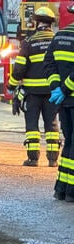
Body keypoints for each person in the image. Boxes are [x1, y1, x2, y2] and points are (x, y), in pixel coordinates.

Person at [9, 7, 60, 167]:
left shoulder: (29, 42)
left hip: (32, 92)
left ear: (37, 22)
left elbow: (19, 69)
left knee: (32, 124)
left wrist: (11, 86)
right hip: (53, 91)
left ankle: (33, 158)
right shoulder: (56, 40)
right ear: (51, 23)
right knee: (52, 123)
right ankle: (52, 159)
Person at [45, 18, 74, 201]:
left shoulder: (60, 34)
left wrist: (57, 87)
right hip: (69, 95)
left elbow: (48, 63)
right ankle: (71, 191)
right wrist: (65, 88)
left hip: (64, 101)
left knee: (69, 142)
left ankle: (61, 188)